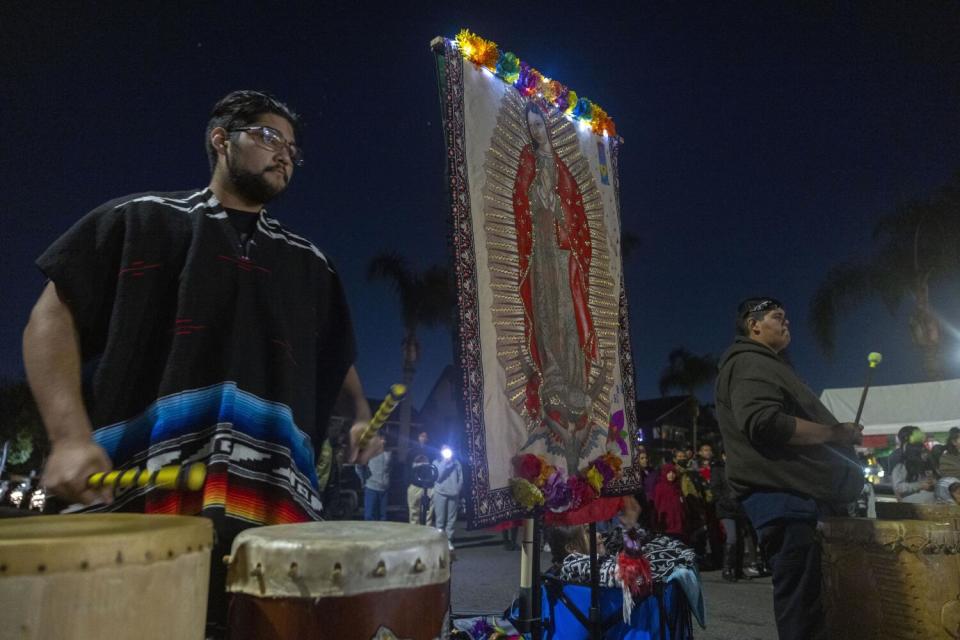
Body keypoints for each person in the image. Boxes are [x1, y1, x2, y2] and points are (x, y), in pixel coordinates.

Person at [22, 90, 381, 635]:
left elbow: (335, 354)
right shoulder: (138, 220)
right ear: (220, 139)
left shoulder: (311, 265)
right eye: (267, 137)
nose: (284, 153)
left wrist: (359, 411)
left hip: (272, 504)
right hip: (142, 494)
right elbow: (49, 320)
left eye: (292, 147)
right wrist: (70, 436)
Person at [715, 297, 863, 640]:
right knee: (804, 610)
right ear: (754, 325)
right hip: (789, 500)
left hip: (796, 499)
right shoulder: (751, 361)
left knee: (812, 605)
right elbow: (763, 422)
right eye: (777, 317)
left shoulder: (764, 363)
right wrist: (831, 433)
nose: (787, 323)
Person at [513, 100, 601, 471]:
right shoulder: (527, 164)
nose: (535, 131)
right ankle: (552, 373)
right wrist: (538, 200)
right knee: (547, 311)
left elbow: (578, 212)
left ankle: (575, 378)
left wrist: (561, 211)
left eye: (539, 124)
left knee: (568, 312)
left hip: (563, 252)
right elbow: (521, 202)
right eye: (530, 126)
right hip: (541, 251)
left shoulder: (562, 168)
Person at [891, 426, 935, 504]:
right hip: (912, 506)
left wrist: (933, 481)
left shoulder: (924, 452)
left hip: (931, 502)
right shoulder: (899, 456)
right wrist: (920, 485)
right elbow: (898, 487)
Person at [433, 446, 463, 551]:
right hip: (440, 492)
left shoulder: (456, 463)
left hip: (453, 493)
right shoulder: (436, 462)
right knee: (440, 520)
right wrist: (445, 463)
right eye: (444, 450)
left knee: (451, 519)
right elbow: (438, 477)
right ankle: (439, 541)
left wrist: (457, 489)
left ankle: (449, 539)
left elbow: (461, 478)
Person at [361, 433, 391, 520]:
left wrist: (387, 482)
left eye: (384, 439)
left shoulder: (389, 453)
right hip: (371, 488)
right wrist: (363, 479)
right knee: (369, 516)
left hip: (384, 490)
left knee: (382, 517)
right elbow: (359, 466)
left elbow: (390, 469)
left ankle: (381, 533)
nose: (383, 441)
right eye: (381, 439)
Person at [407, 431, 434, 525]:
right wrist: (408, 483)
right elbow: (407, 469)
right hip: (415, 486)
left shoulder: (431, 452)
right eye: (421, 436)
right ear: (418, 437)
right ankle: (415, 536)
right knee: (414, 514)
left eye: (425, 436)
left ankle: (427, 537)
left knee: (428, 515)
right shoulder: (412, 452)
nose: (423, 438)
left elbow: (434, 468)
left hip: (428, 487)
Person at [652, 463, 686, 539]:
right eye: (668, 472)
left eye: (673, 472)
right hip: (667, 525)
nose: (671, 475)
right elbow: (656, 506)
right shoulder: (660, 487)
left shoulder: (677, 487)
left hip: (679, 524)